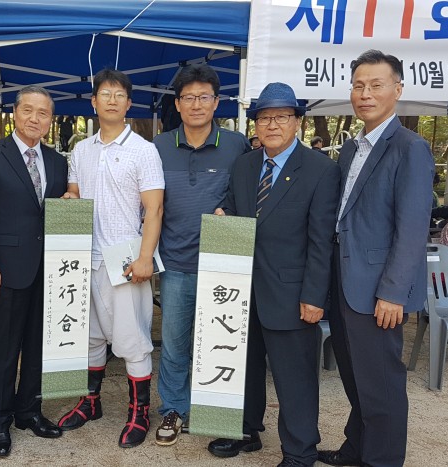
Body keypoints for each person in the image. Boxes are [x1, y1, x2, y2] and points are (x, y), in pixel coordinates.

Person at [207, 82, 340, 466]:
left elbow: (321, 241)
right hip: (239, 292)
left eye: (281, 116)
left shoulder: (321, 170)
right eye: (264, 118)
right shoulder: (245, 165)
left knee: (294, 379)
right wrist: (223, 217)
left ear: (297, 122)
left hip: (291, 294)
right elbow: (233, 208)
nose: (272, 125)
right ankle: (245, 430)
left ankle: (299, 452)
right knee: (241, 366)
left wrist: (314, 296)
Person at [321, 50, 434, 467]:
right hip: (344, 280)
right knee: (356, 376)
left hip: (378, 289)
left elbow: (412, 228)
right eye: (358, 86)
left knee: (381, 383)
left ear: (397, 90)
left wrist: (393, 292)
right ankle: (357, 449)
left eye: (375, 85)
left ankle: (381, 460)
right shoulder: (352, 148)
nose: (365, 94)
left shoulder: (410, 148)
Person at [57, 69, 165, 448]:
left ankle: (139, 412)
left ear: (128, 103)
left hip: (126, 258)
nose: (113, 100)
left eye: (120, 95)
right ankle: (91, 402)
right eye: (105, 93)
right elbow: (74, 193)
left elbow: (154, 209)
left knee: (133, 338)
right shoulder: (81, 150)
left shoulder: (144, 150)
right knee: (89, 336)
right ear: (94, 101)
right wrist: (69, 199)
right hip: (85, 258)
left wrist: (146, 257)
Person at [152, 64, 251, 446]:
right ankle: (174, 410)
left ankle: (217, 411)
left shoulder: (237, 145)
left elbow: (247, 193)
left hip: (224, 266)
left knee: (221, 343)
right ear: (178, 104)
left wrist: (230, 209)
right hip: (176, 265)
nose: (196, 104)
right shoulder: (159, 146)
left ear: (216, 102)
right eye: (189, 97)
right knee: (175, 345)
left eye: (204, 97)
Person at [0, 86, 67, 458]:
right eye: (28, 110)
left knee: (39, 346)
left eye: (43, 113)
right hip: (6, 269)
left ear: (50, 119)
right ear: (15, 112)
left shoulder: (57, 161)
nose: (35, 118)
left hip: (48, 270)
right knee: (3, 348)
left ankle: (29, 411)